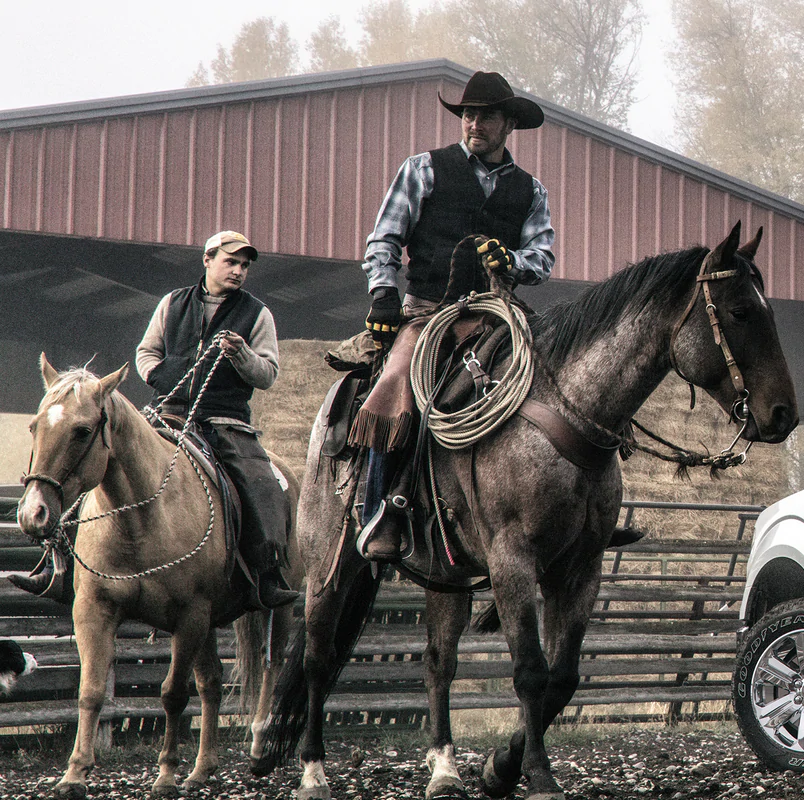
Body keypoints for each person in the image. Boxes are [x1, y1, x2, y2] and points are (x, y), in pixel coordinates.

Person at [10, 231, 299, 610]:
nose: (239, 271)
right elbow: (146, 352)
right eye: (231, 262)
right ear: (208, 260)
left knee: (261, 485)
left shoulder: (258, 314)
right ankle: (58, 565)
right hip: (166, 413)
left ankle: (265, 575)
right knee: (93, 464)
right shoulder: (172, 304)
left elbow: (268, 374)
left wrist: (243, 355)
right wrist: (159, 376)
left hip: (226, 423)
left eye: (245, 265)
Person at [347, 70, 554, 562]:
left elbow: (541, 260)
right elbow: (384, 240)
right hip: (427, 313)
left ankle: (577, 510)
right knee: (394, 385)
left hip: (498, 316)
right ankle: (384, 509)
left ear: (508, 125)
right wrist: (383, 295)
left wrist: (512, 261)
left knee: (568, 377)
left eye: (485, 116)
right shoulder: (423, 168)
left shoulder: (532, 191)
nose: (473, 123)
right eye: (467, 114)